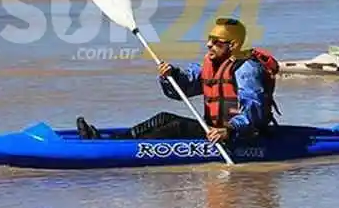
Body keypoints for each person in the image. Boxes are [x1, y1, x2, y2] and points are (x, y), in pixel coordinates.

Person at [76, 17, 280, 142]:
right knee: (164, 118)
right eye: (209, 39)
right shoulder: (213, 65)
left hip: (242, 137)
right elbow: (184, 89)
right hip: (214, 131)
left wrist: (230, 130)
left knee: (176, 127)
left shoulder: (247, 70)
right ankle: (113, 140)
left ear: (233, 45)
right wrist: (170, 75)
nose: (209, 45)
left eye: (217, 42)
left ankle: (115, 146)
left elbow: (253, 109)